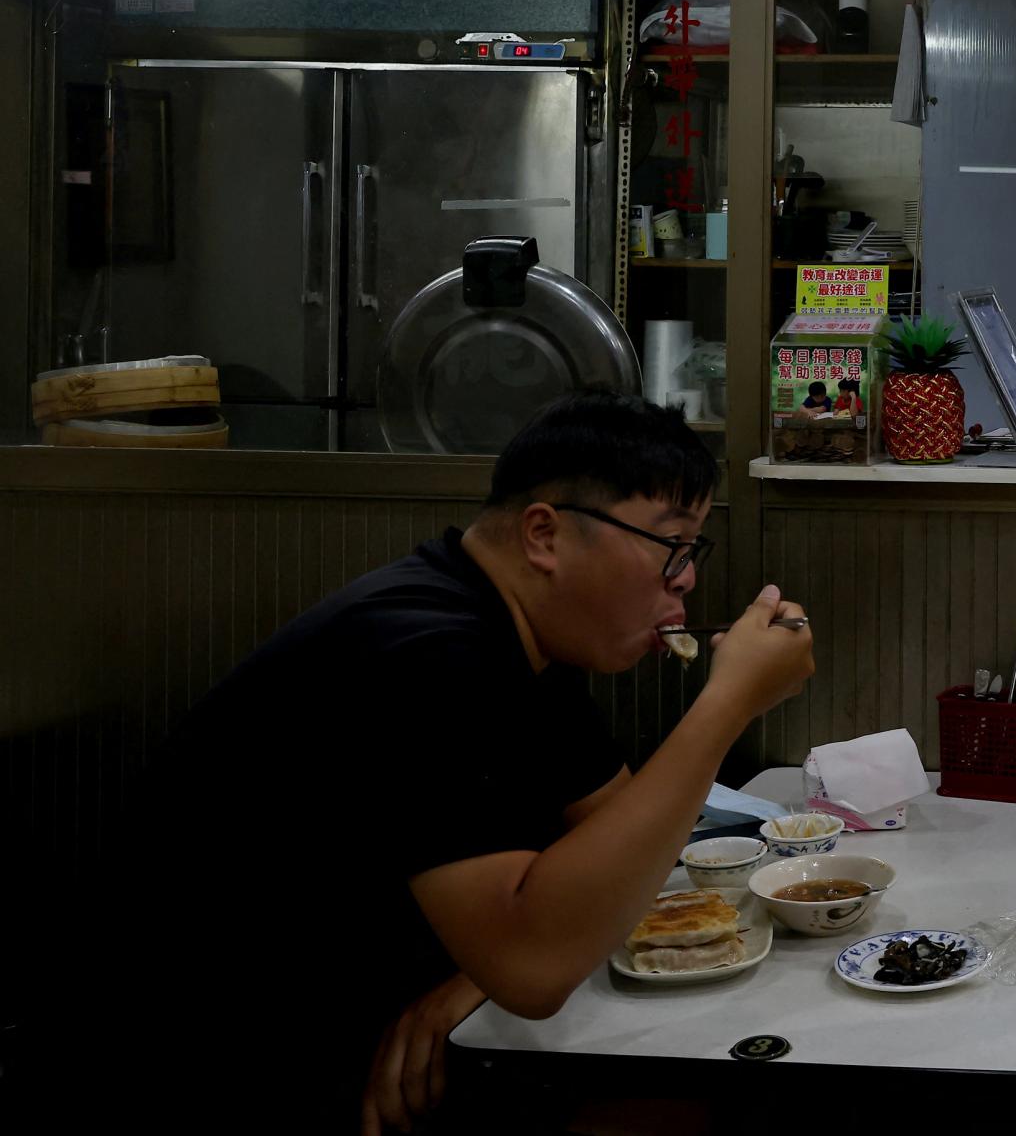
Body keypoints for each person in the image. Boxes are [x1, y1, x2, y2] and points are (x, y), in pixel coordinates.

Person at [156, 393, 813, 1133]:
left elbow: (624, 858)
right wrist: (726, 707)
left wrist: (473, 979)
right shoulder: (426, 651)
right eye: (672, 544)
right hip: (234, 1072)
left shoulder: (528, 640)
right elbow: (534, 972)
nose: (686, 578)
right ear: (544, 534)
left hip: (406, 1030)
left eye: (694, 551)